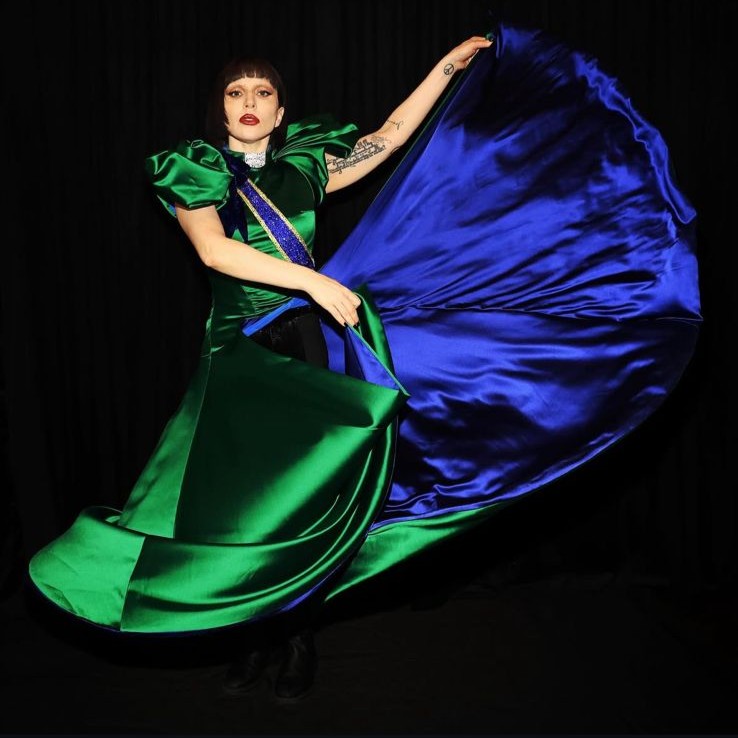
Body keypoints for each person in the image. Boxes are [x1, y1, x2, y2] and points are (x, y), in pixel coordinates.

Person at [27, 22, 701, 702]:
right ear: (221, 109)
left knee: (301, 504)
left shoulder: (305, 167)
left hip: (305, 343)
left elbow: (391, 135)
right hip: (241, 353)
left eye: (263, 92)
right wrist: (314, 281)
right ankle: (244, 633)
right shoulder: (194, 170)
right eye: (236, 92)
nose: (250, 101)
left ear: (280, 113)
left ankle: (293, 641)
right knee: (232, 509)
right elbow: (214, 251)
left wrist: (447, 67)